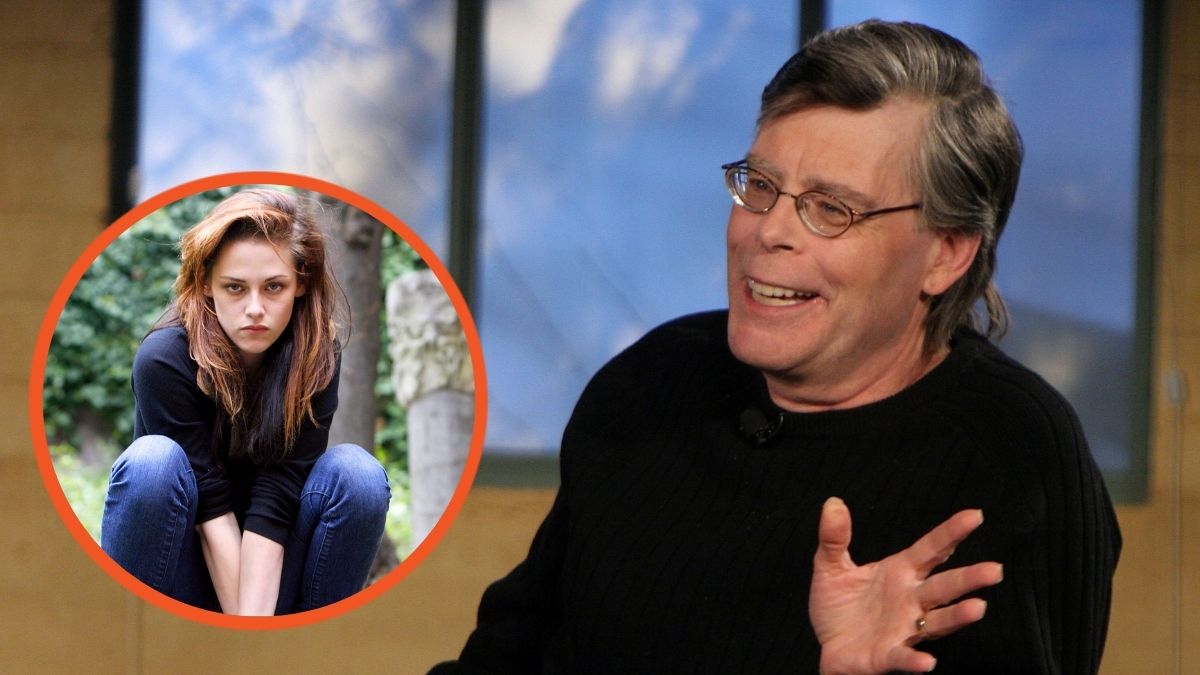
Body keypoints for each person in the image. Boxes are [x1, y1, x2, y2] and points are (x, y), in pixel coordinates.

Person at [433, 19, 1120, 674]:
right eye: (761, 186)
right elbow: (505, 656)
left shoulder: (1014, 454)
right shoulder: (651, 381)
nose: (767, 232)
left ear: (946, 252)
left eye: (831, 207)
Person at [100, 188, 391, 615]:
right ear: (205, 283)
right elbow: (211, 509)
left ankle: (314, 645)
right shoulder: (164, 358)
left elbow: (277, 501)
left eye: (274, 286)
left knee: (358, 475)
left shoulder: (318, 353)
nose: (255, 308)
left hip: (273, 578)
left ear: (301, 283)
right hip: (180, 569)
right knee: (152, 463)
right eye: (235, 288)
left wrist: (257, 637)